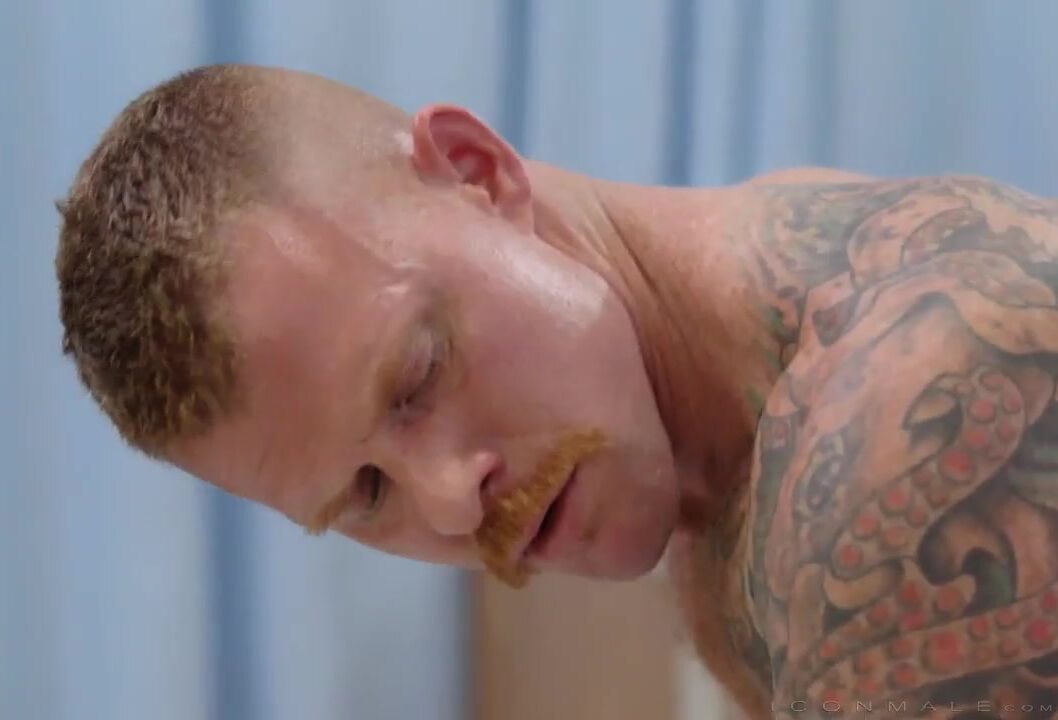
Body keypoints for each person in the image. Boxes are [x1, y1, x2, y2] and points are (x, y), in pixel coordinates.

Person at [55, 64, 1058, 719]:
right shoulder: (711, 459)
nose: (452, 502)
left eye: (417, 377)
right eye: (367, 494)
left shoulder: (906, 412)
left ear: (479, 172)